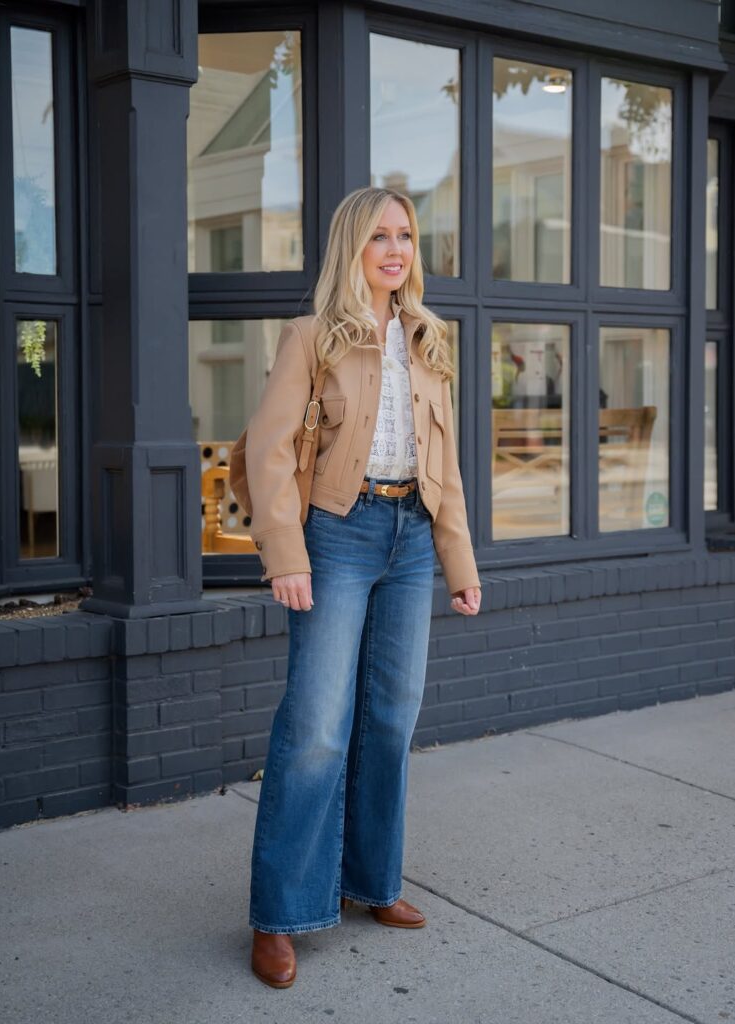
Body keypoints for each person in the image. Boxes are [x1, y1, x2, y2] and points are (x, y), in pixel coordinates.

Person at [243, 186, 481, 988]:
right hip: (336, 536)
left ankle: (371, 884)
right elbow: (269, 452)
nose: (394, 249)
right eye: (378, 235)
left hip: (411, 536)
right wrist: (286, 555)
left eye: (405, 236)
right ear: (352, 247)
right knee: (314, 725)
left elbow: (443, 465)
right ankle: (279, 914)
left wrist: (459, 565)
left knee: (390, 718)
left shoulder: (428, 338)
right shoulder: (311, 336)